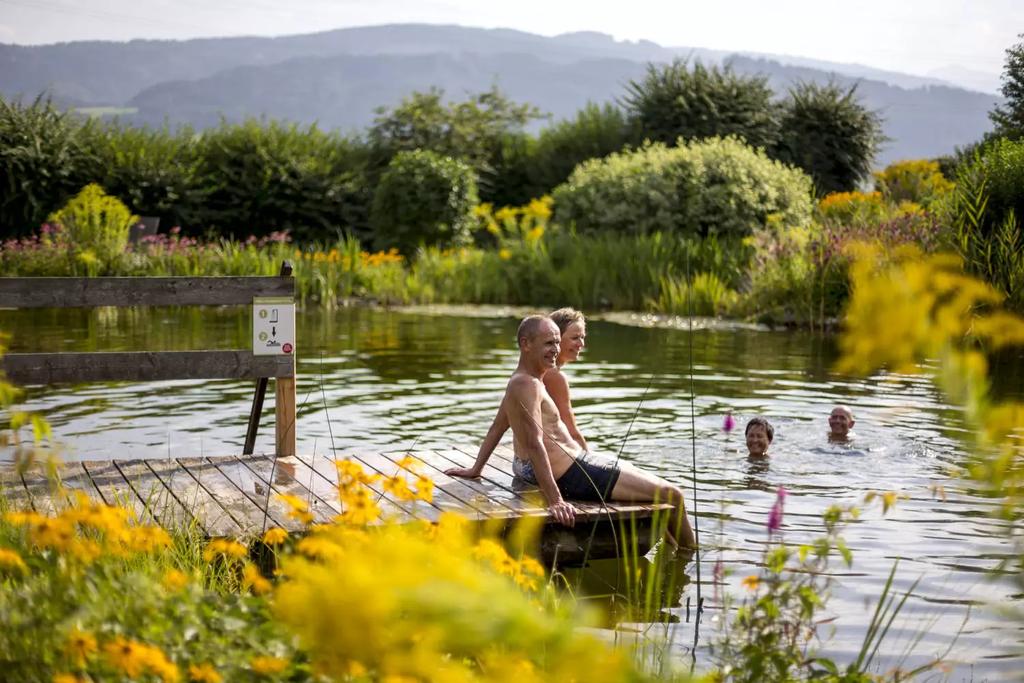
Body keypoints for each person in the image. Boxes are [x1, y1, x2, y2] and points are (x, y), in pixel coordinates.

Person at [445, 314, 696, 549]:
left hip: (558, 466)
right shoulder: (526, 384)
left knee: (645, 482)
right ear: (526, 344)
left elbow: (498, 426)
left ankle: (675, 550)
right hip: (571, 473)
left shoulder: (524, 379)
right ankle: (689, 559)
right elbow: (534, 444)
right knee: (673, 494)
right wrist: (555, 500)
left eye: (556, 342)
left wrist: (476, 469)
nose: (555, 349)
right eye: (548, 343)